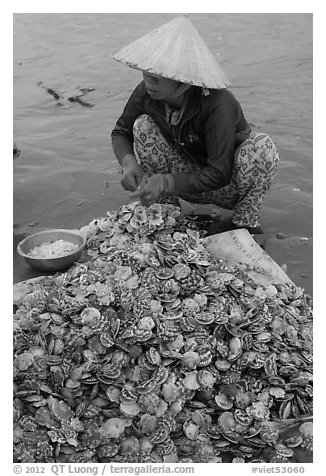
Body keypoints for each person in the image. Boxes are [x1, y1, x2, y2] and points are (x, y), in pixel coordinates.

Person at [111, 15, 279, 234]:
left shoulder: (218, 103)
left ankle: (244, 223)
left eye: (156, 78)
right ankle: (164, 213)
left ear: (182, 80)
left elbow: (220, 172)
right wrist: (128, 163)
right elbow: (121, 131)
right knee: (143, 126)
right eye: (145, 75)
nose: (147, 83)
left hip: (227, 187)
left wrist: (166, 182)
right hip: (182, 178)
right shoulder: (146, 93)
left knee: (261, 147)